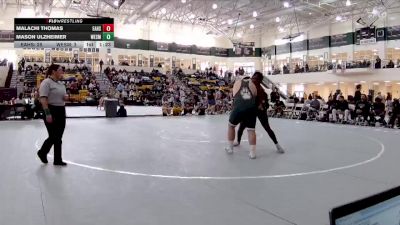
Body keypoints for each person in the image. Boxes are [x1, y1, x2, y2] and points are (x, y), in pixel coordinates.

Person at [234, 72, 284, 154]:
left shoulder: (261, 91)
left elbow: (265, 103)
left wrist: (263, 105)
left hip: (260, 111)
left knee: (267, 128)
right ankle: (238, 141)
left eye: (256, 78)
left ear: (260, 80)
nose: (254, 79)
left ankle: (277, 145)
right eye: (253, 77)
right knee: (241, 126)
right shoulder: (249, 86)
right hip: (250, 110)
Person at [37, 64, 68, 166]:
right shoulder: (46, 83)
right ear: (53, 71)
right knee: (54, 136)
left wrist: (66, 97)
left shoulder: (61, 84)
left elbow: (63, 96)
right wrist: (47, 113)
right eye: (60, 70)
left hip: (61, 110)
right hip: (50, 109)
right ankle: (42, 152)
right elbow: (43, 98)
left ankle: (57, 159)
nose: (62, 71)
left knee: (58, 136)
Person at [225, 74, 258, 159]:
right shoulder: (253, 84)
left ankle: (230, 148)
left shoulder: (237, 83)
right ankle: (252, 153)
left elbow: (234, 96)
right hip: (251, 109)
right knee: (251, 130)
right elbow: (254, 95)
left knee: (231, 126)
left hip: (239, 108)